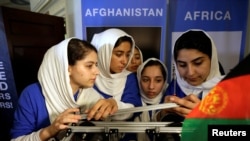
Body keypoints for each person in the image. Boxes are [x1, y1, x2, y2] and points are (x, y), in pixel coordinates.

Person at [10, 38, 118, 141]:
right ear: (67, 68)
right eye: (89, 66)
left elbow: (120, 116)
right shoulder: (32, 95)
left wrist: (112, 103)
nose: (97, 71)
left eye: (96, 65)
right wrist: (50, 131)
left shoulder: (89, 93)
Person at [158, 29, 225, 120]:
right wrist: (162, 114)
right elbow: (158, 129)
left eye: (198, 63)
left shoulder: (229, 91)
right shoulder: (175, 86)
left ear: (212, 60)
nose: (190, 73)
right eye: (182, 65)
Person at [90, 28, 142, 120]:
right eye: (119, 54)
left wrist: (115, 104)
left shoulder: (129, 77)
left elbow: (134, 109)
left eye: (127, 55)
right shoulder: (90, 76)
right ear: (104, 53)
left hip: (125, 133)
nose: (125, 61)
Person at [123, 58, 168, 141]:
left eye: (158, 80)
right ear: (139, 80)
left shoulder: (168, 103)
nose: (151, 86)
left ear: (164, 81)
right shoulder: (132, 103)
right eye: (145, 80)